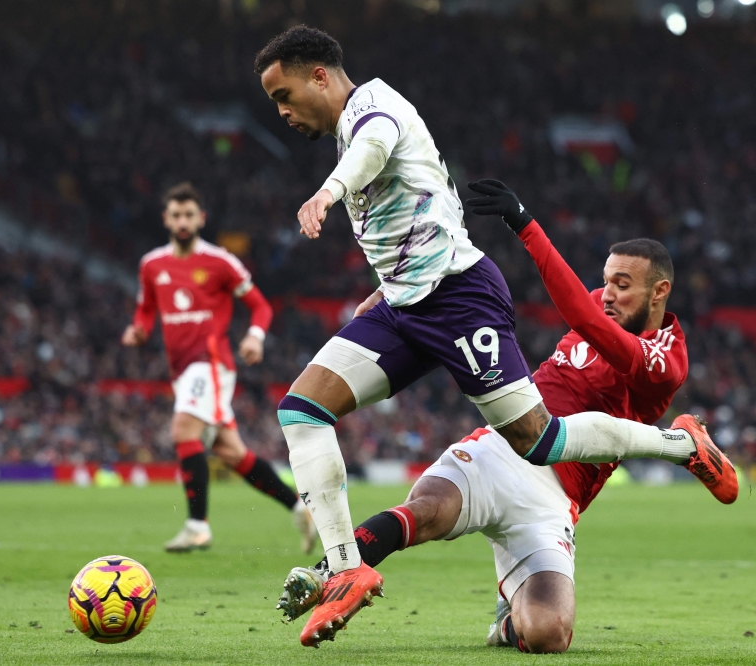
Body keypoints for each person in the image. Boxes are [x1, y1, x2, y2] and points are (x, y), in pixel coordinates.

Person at [252, 26, 737, 647]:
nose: (283, 110)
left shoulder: (375, 109)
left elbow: (374, 146)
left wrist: (329, 191)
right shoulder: (354, 126)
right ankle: (344, 569)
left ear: (319, 74)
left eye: (282, 94)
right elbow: (435, 206)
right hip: (406, 304)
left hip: (458, 299)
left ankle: (678, 445)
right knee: (302, 410)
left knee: (541, 443)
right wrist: (385, 285)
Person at [122, 182, 316, 554]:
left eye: (189, 215)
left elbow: (260, 306)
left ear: (201, 219)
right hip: (181, 372)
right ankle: (299, 509)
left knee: (183, 431)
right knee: (233, 454)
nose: (182, 221)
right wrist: (139, 330)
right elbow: (146, 309)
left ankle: (198, 526)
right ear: (166, 218)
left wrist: (255, 337)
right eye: (176, 215)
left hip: (210, 364)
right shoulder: (152, 265)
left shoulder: (220, 261)